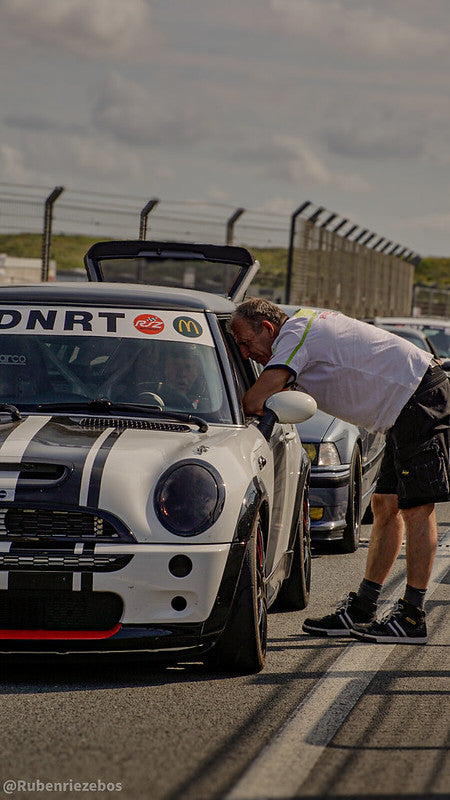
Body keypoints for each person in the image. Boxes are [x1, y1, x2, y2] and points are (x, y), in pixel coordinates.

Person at [231, 298, 450, 644]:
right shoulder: (300, 328)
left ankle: (412, 616)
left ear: (268, 328)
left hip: (417, 398)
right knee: (384, 505)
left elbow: (254, 401)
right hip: (404, 403)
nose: (245, 353)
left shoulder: (294, 334)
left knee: (417, 509)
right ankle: (364, 607)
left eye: (245, 343)